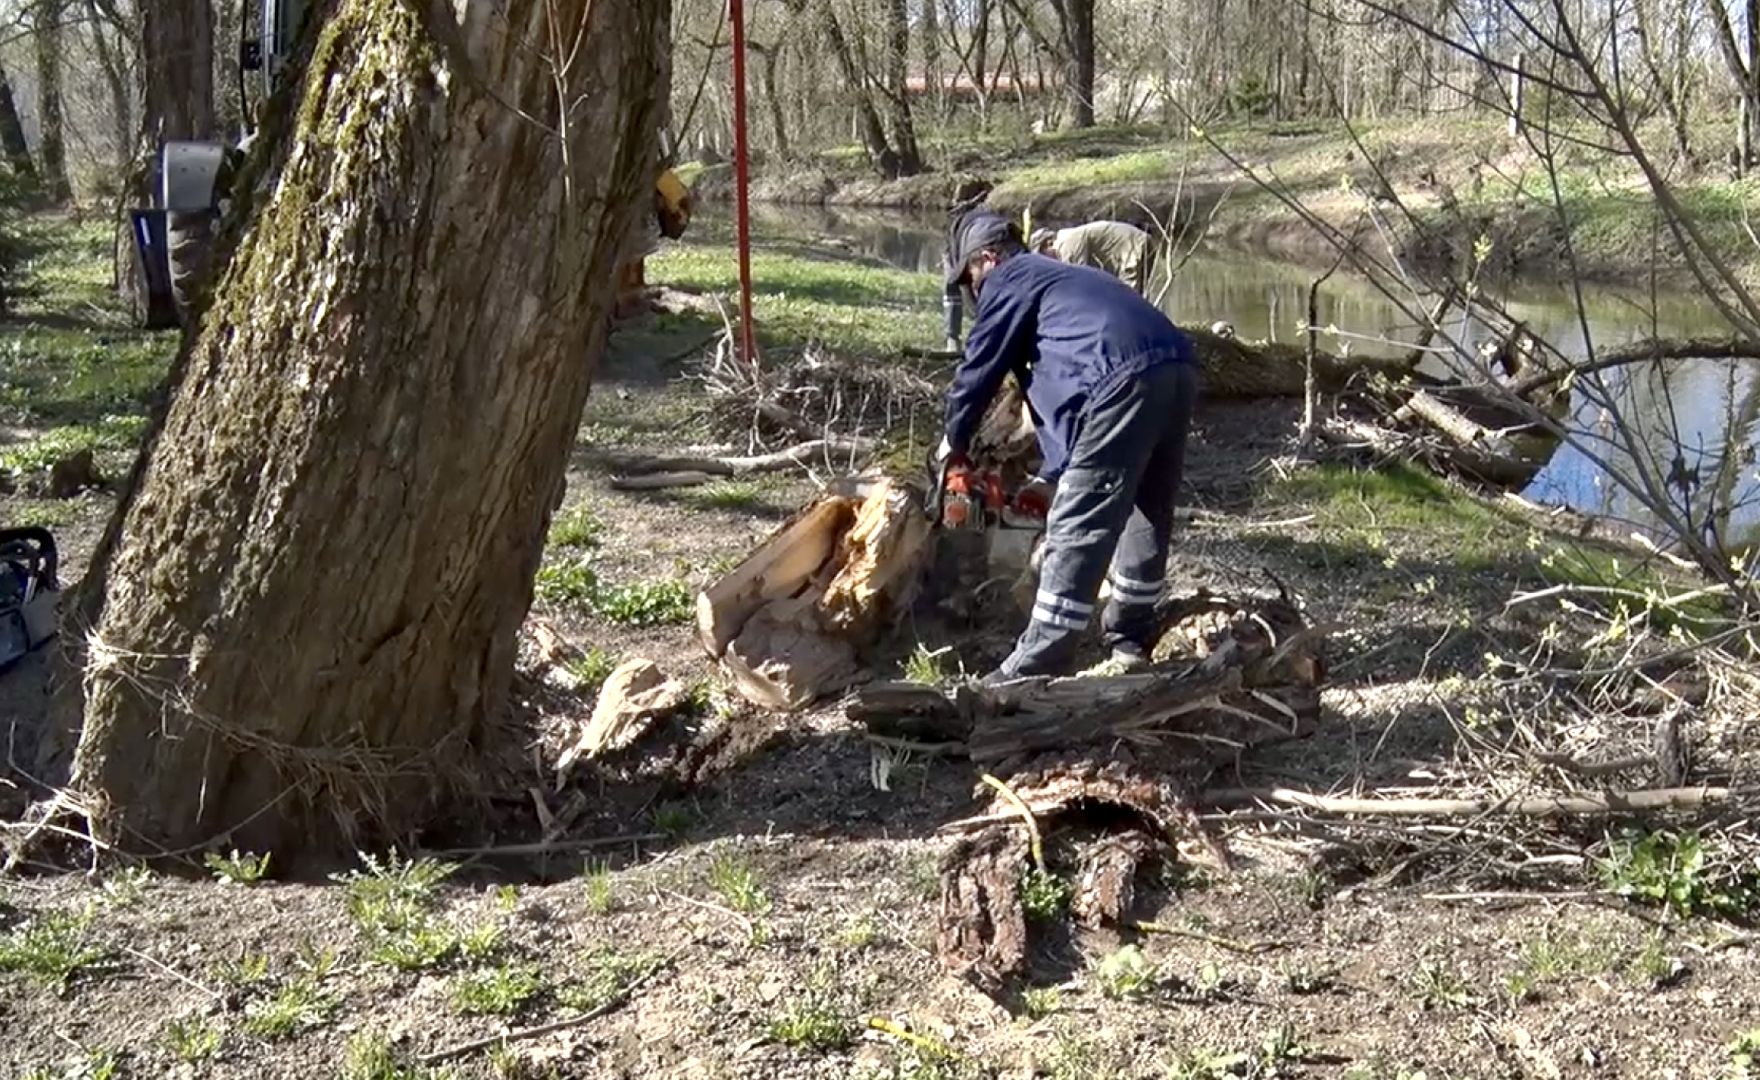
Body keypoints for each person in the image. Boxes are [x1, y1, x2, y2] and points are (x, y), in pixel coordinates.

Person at [938, 208, 1198, 681]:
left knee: (1079, 520)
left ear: (988, 258)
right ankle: (1130, 632)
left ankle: (1039, 660)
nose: (972, 290)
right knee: (1147, 504)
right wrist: (1052, 474)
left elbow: (978, 369)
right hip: (1176, 365)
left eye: (969, 277)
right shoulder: (1059, 279)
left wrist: (951, 441)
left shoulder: (1010, 278)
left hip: (1121, 376)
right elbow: (1065, 395)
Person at [1028, 220, 1156, 295]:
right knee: (1137, 298)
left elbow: (1078, 281)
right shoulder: (1069, 238)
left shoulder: (1067, 245)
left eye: (1042, 255)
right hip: (1139, 242)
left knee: (1129, 300)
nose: (1046, 262)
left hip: (1132, 248)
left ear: (1049, 243)